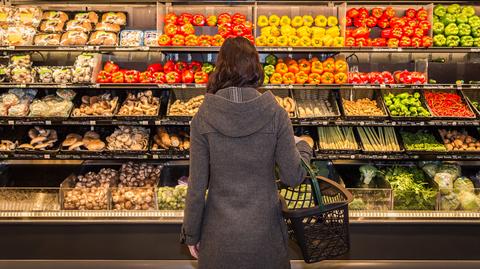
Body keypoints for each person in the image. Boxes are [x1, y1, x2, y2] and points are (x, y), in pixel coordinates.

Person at [181, 36, 312, 269]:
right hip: (266, 239)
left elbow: (196, 186)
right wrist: (303, 147)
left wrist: (191, 234)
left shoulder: (202, 117)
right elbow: (293, 176)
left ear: (220, 67)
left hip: (218, 240)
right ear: (255, 67)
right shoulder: (276, 113)